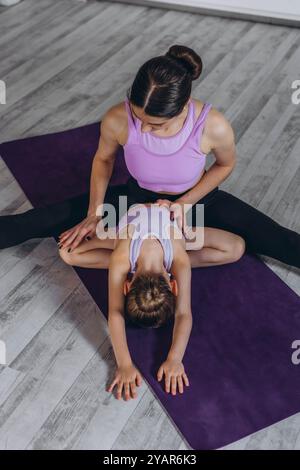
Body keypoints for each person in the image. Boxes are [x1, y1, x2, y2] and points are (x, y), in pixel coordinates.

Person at [1, 44, 299, 269]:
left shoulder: (213, 125)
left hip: (195, 201)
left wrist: (184, 204)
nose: (142, 127)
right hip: (135, 199)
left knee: (275, 238)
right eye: (137, 115)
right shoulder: (118, 118)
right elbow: (104, 160)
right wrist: (94, 213)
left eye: (155, 124)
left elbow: (225, 164)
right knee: (42, 219)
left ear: (181, 108)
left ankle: (160, 258)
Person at [58, 202, 245, 400]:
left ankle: (112, 242)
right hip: (136, 235)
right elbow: (116, 312)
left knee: (235, 248)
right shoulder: (125, 258)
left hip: (160, 233)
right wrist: (125, 364)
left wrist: (174, 358)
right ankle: (111, 241)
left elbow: (182, 314)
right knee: (68, 254)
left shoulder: (175, 261)